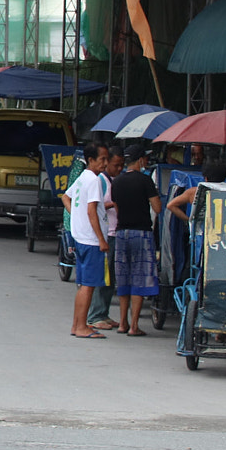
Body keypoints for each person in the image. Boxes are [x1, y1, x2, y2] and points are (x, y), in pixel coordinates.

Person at [109, 146, 163, 336]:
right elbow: (157, 208)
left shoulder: (117, 181)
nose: (147, 163)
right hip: (141, 233)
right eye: (145, 160)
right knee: (139, 279)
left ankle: (122, 323)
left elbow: (116, 207)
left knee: (124, 278)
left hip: (122, 233)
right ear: (140, 160)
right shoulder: (146, 180)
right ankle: (133, 326)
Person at [67, 145, 113, 339]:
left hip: (81, 238)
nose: (105, 163)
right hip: (92, 240)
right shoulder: (93, 180)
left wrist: (76, 219)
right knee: (89, 285)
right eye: (101, 159)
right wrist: (101, 239)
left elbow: (65, 197)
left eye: (106, 159)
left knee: (83, 284)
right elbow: (91, 210)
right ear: (91, 159)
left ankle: (77, 324)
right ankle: (81, 326)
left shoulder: (82, 178)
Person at [85, 150, 125, 331]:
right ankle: (95, 316)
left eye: (121, 165)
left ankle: (103, 313)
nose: (119, 168)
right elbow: (93, 205)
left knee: (111, 278)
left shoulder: (114, 180)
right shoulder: (99, 181)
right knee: (103, 276)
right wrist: (113, 204)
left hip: (115, 232)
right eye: (116, 165)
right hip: (106, 233)